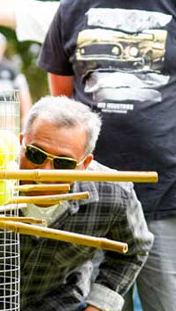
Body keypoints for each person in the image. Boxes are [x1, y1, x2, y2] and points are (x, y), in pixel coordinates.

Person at [37, 0, 176, 310]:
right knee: (84, 303)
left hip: (165, 195)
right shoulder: (74, 4)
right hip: (87, 200)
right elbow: (62, 106)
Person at [18, 96, 152, 311]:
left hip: (58, 304)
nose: (45, 171)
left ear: (85, 163)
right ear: (21, 142)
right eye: (36, 154)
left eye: (63, 163)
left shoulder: (114, 193)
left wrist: (99, 305)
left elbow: (135, 249)